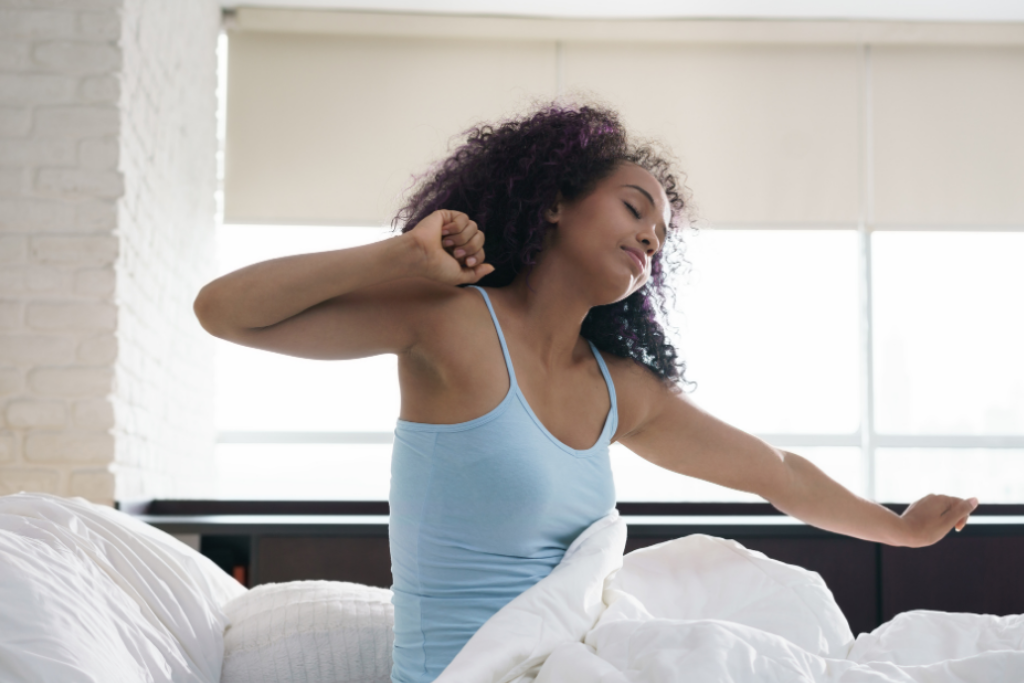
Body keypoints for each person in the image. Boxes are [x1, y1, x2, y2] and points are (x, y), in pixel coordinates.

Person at [193, 102, 979, 683]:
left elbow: (775, 470)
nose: (649, 238)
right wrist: (399, 257)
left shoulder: (619, 387)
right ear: (553, 201)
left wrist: (898, 530)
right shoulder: (451, 325)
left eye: (661, 235)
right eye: (635, 209)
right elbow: (223, 311)